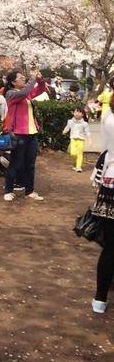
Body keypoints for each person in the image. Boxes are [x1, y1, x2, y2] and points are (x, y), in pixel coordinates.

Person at [2, 69, 48, 203]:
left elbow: (41, 89)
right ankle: (8, 190)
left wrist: (40, 79)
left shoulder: (26, 95)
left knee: (30, 164)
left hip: (32, 133)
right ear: (13, 82)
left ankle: (30, 191)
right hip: (19, 133)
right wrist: (32, 79)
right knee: (16, 163)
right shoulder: (11, 94)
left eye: (24, 78)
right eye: (21, 78)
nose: (24, 79)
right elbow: (24, 92)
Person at [90, 94, 114, 313]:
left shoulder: (108, 117)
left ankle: (100, 299)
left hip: (110, 182)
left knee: (110, 247)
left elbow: (105, 152)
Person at [62, 107, 90, 172]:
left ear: (83, 114)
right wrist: (64, 131)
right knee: (73, 153)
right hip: (73, 139)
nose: (77, 113)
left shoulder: (84, 123)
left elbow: (87, 131)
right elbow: (67, 127)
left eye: (79, 112)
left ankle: (78, 167)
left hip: (81, 140)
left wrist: (89, 139)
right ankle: (75, 164)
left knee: (80, 153)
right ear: (73, 113)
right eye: (76, 112)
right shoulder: (70, 121)